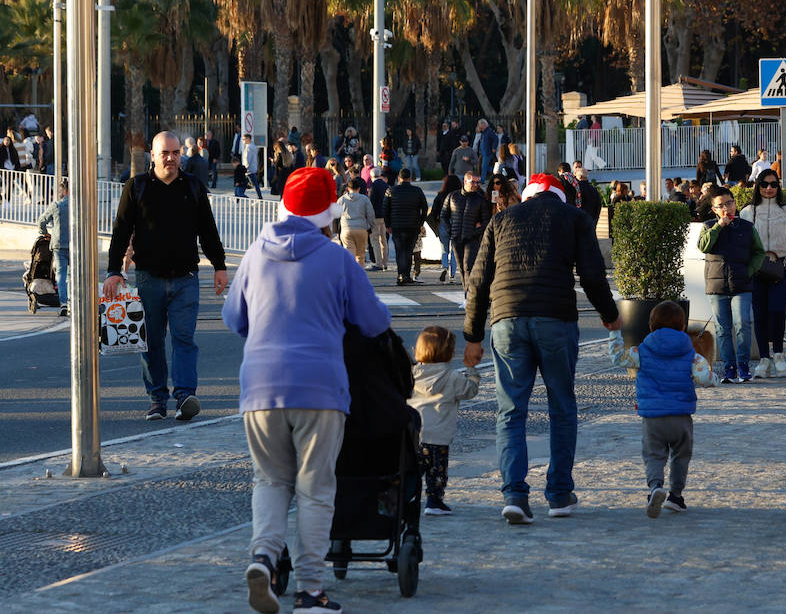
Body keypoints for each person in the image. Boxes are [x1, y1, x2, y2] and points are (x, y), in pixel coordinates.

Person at [224, 167, 391, 614]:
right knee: (316, 488)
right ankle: (311, 590)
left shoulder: (257, 253)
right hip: (320, 388)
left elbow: (232, 318)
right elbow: (376, 323)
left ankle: (263, 556)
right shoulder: (337, 259)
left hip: (259, 387)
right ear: (329, 213)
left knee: (271, 480)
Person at [464, 174, 621, 524]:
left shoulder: (501, 220)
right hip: (556, 320)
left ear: (529, 194)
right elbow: (593, 276)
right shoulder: (575, 218)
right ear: (560, 197)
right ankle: (560, 494)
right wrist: (610, 315)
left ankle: (515, 495)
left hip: (506, 319)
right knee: (562, 407)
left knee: (510, 411)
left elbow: (478, 280)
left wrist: (472, 336)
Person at [104, 131, 229, 423]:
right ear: (153, 155)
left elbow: (208, 231)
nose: (171, 158)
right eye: (165, 153)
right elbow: (121, 231)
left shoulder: (194, 187)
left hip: (186, 278)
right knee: (153, 342)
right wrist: (113, 271)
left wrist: (220, 266)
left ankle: (185, 395)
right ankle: (157, 399)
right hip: (149, 279)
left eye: (175, 153)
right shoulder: (137, 187)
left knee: (184, 339)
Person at [608, 300, 717, 517]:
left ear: (650, 326)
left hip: (653, 417)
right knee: (681, 455)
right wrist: (715, 378)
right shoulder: (690, 352)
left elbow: (618, 358)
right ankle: (676, 497)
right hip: (681, 416)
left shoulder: (643, 351)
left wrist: (615, 333)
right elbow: (704, 377)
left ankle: (655, 487)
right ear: (683, 327)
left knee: (654, 455)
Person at [408, 325, 482, 516]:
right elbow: (470, 391)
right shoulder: (452, 377)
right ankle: (434, 501)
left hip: (414, 434)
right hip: (439, 437)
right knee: (437, 472)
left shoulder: (412, 375)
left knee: (411, 471)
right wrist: (472, 372)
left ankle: (406, 498)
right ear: (449, 353)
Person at [698, 187, 765, 383]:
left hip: (742, 284)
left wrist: (749, 271)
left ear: (735, 203)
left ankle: (743, 366)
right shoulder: (709, 226)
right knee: (722, 328)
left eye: (729, 203)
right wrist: (719, 226)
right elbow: (703, 246)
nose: (727, 208)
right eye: (721, 205)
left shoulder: (747, 226)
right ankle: (729, 368)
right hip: (716, 286)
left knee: (742, 324)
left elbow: (759, 252)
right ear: (714, 209)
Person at [739, 168, 786, 378]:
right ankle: (764, 358)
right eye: (764, 184)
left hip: (780, 267)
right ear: (758, 186)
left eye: (773, 184)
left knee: (778, 311)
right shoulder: (748, 212)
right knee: (760, 314)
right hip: (757, 269)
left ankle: (779, 354)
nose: (769, 188)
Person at [444, 172, 491, 285]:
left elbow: (486, 220)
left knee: (468, 267)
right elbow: (444, 215)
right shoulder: (452, 196)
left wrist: (476, 232)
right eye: (473, 182)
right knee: (461, 268)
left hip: (472, 238)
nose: (475, 184)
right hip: (456, 237)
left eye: (477, 182)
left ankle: (469, 295)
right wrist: (450, 230)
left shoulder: (480, 199)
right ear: (465, 182)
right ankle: (467, 295)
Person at [383, 168, 427, 285]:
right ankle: (406, 275)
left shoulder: (391, 190)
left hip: (397, 225)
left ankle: (400, 275)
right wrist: (420, 222)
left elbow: (385, 209)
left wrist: (388, 225)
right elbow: (425, 208)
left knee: (400, 250)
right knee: (408, 251)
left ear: (399, 178)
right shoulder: (417, 191)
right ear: (410, 178)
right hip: (413, 225)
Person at [37, 178, 70, 314]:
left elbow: (42, 221)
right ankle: (74, 301)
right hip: (75, 245)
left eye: (60, 189)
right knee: (74, 275)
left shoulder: (56, 206)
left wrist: (45, 233)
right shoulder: (78, 205)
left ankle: (63, 303)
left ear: (64, 190)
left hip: (58, 244)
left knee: (61, 275)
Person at [428, 174, 463, 284]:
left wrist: (435, 225)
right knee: (454, 250)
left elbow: (433, 212)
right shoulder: (459, 195)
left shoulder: (440, 195)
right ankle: (452, 275)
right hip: (456, 224)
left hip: (443, 223)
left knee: (444, 249)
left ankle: (444, 267)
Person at [338, 177, 376, 267]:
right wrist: (372, 226)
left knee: (349, 255)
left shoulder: (342, 200)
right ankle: (359, 276)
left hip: (346, 229)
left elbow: (335, 215)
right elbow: (370, 214)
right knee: (360, 256)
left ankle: (350, 276)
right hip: (361, 229)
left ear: (348, 188)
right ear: (359, 188)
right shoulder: (364, 199)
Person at [367, 170, 391, 271]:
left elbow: (370, 202)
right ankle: (385, 263)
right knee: (384, 240)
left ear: (371, 176)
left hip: (375, 216)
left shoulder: (373, 186)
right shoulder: (386, 185)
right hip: (384, 217)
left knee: (375, 240)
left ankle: (378, 263)